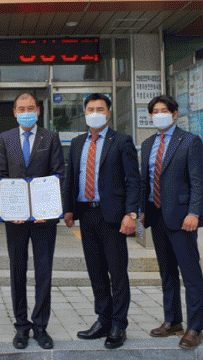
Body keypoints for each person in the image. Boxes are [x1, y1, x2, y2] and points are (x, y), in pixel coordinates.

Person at [63, 93, 140, 349]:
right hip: (86, 214)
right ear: (84, 113)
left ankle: (119, 324)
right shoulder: (77, 143)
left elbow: (133, 180)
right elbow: (71, 178)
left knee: (117, 272)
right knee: (95, 271)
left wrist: (131, 213)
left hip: (113, 216)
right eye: (90, 109)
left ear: (108, 113)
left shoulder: (122, 141)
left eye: (100, 108)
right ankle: (103, 319)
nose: (94, 113)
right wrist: (68, 209)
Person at [0, 92, 65, 350]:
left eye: (31, 107)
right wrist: (10, 210)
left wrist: (50, 208)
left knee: (44, 271)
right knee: (17, 270)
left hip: (44, 219)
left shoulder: (50, 137)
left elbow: (58, 174)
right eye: (21, 108)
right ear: (14, 112)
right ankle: (22, 326)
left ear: (38, 110)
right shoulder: (5, 138)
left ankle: (41, 326)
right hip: (16, 219)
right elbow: (0, 175)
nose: (26, 112)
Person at [140, 95, 203, 350]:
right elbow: (145, 180)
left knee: (191, 274)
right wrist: (142, 210)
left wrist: (194, 213)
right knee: (167, 272)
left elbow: (199, 180)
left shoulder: (190, 141)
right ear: (150, 116)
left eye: (164, 110)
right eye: (155, 111)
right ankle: (173, 321)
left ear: (175, 114)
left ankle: (195, 328)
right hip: (156, 216)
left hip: (182, 218)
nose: (159, 114)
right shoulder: (147, 144)